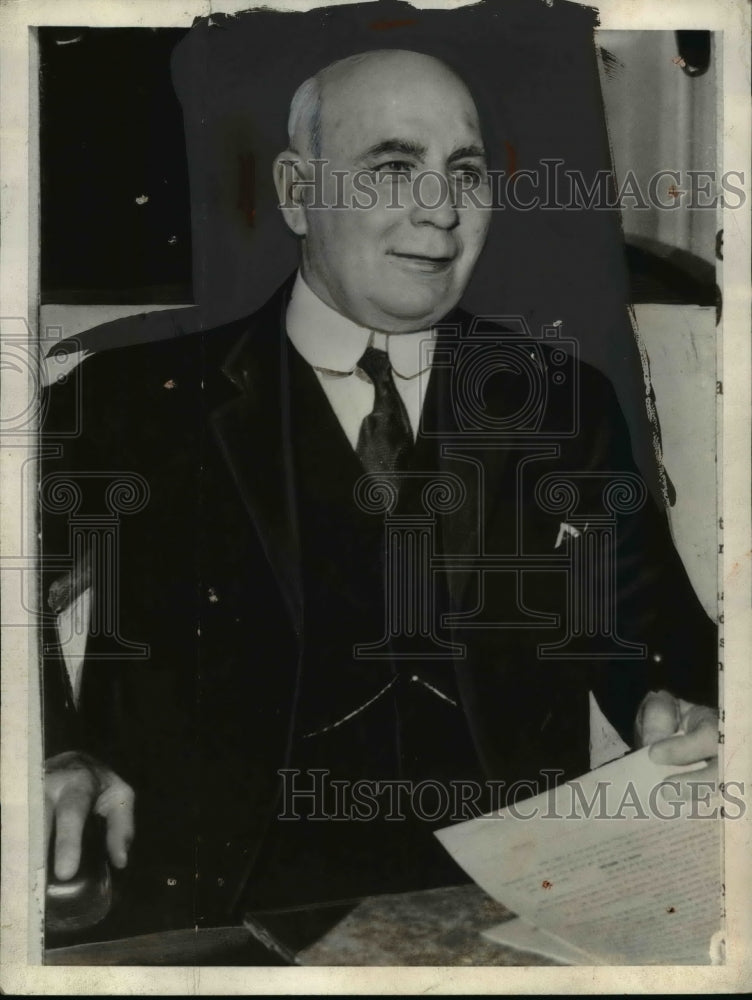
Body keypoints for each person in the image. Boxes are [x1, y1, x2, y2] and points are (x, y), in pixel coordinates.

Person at [42, 49, 717, 945]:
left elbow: (646, 626)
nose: (439, 210)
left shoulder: (560, 400)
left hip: (507, 916)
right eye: (394, 167)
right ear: (296, 189)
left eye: (464, 172)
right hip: (213, 917)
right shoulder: (125, 400)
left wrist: (664, 702)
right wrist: (49, 751)